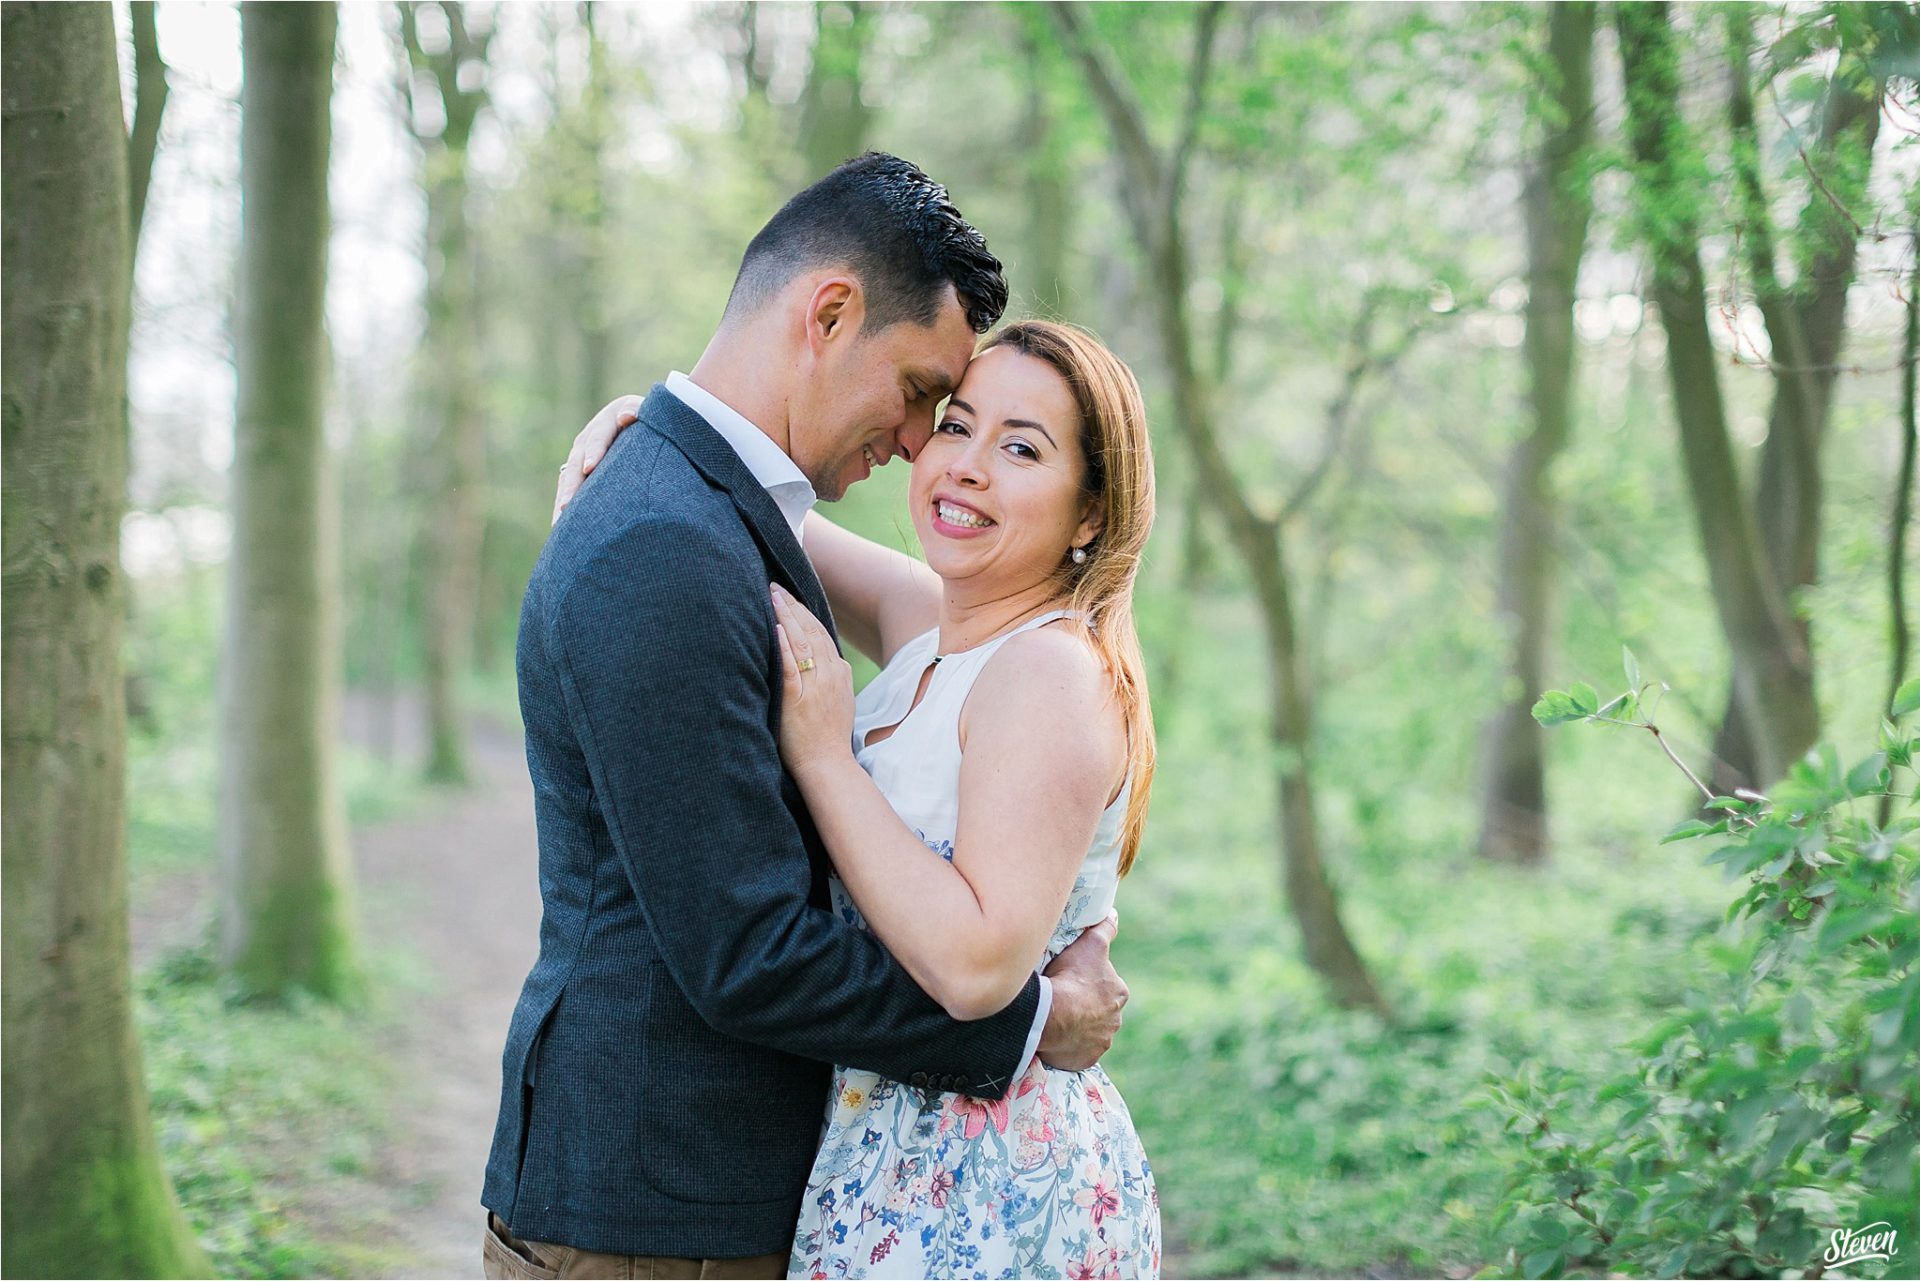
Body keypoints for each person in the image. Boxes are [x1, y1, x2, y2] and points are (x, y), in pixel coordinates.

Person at [483, 153, 1128, 1281]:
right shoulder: (664, 545)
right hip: (651, 1214)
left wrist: (652, 419)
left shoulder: (706, 521)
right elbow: (748, 953)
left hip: (867, 1201)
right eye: (934, 398)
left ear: (1090, 511)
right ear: (830, 314)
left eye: (1013, 443)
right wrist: (1032, 1027)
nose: (929, 445)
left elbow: (756, 493)